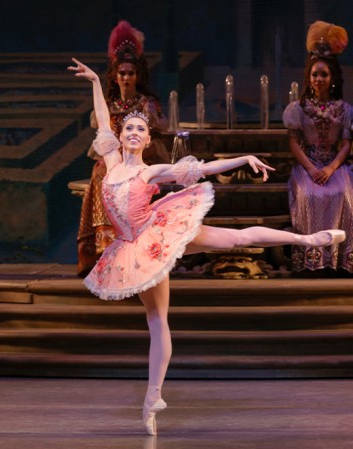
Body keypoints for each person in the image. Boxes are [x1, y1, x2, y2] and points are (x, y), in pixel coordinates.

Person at [69, 58, 345, 435]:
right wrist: (94, 83)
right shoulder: (112, 162)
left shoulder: (150, 171)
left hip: (160, 231)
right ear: (121, 136)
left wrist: (244, 158)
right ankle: (152, 400)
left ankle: (308, 238)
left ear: (149, 140)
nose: (133, 132)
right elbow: (102, 119)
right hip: (134, 250)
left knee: (235, 238)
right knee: (157, 322)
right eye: (129, 128)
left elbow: (202, 169)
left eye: (140, 129)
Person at [77, 20, 167, 277]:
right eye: (122, 73)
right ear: (115, 77)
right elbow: (103, 130)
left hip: (139, 161)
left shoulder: (146, 104)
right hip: (110, 163)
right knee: (100, 172)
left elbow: (157, 139)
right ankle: (101, 249)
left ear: (138, 76)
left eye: (131, 73)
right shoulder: (109, 104)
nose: (126, 77)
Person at [282, 20, 353, 273]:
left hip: (335, 166)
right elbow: (294, 142)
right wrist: (311, 169)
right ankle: (312, 261)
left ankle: (339, 261)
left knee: (344, 195)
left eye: (324, 74)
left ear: (332, 77)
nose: (319, 79)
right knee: (310, 196)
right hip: (308, 165)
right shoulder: (299, 109)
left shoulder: (344, 110)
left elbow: (346, 144)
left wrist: (332, 168)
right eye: (315, 74)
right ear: (308, 78)